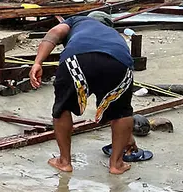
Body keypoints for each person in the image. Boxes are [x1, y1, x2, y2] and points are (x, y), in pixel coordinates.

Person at [29, 11, 136, 175]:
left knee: (63, 107)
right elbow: (122, 114)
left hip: (76, 58)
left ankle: (64, 162)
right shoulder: (115, 35)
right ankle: (116, 164)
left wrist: (38, 62)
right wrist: (128, 137)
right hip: (119, 62)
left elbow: (55, 33)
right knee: (122, 112)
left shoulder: (76, 20)